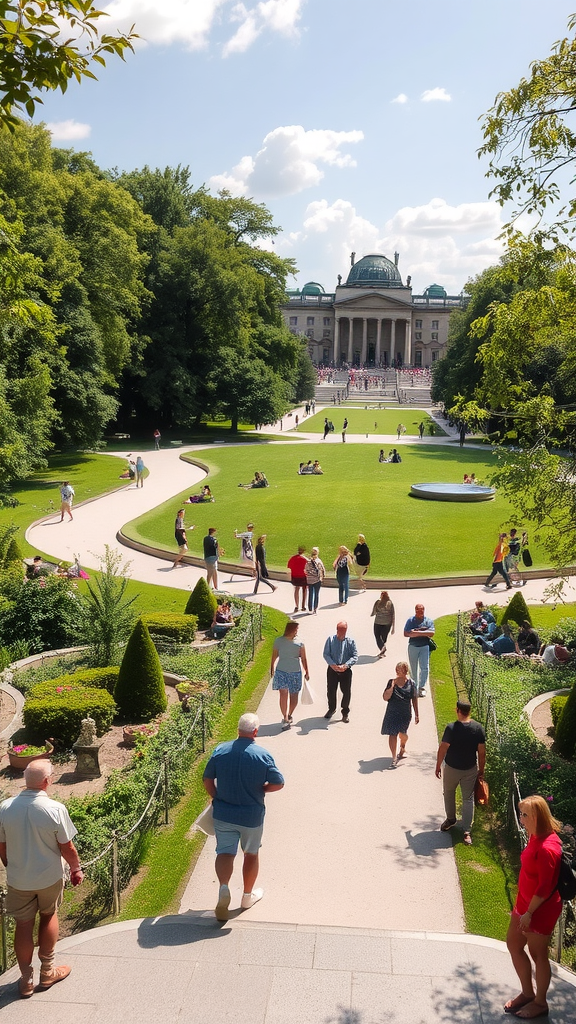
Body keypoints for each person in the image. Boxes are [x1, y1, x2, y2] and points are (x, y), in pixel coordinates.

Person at [0, 760, 84, 997]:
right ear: (47, 781)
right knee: (48, 916)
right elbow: (67, 847)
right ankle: (48, 971)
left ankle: (26, 980)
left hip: (18, 880)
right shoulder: (55, 809)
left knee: (23, 925)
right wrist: (76, 869)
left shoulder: (5, 808)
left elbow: (2, 847)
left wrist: (12, 866)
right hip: (49, 877)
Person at [203, 713, 284, 922]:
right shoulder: (262, 755)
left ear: (238, 729)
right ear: (255, 731)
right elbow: (278, 782)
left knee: (225, 853)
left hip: (224, 814)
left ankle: (223, 888)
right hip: (251, 816)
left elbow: (207, 778)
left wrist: (215, 796)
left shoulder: (220, 750)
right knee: (251, 854)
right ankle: (247, 897)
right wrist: (262, 789)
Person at [504, 795, 563, 1019]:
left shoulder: (549, 848)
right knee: (514, 944)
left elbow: (545, 887)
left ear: (538, 816)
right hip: (524, 904)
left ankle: (540, 1003)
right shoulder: (535, 835)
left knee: (538, 954)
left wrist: (529, 913)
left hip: (539, 910)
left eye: (525, 815)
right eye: (521, 813)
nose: (521, 818)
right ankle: (527, 993)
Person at [435, 700, 486, 846]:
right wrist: (481, 770)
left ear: (457, 710)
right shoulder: (478, 729)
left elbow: (443, 748)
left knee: (449, 793)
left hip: (451, 768)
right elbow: (481, 753)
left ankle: (450, 820)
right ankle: (467, 831)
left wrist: (438, 766)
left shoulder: (451, 728)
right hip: (470, 769)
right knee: (468, 799)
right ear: (469, 711)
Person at [270, 621, 310, 729]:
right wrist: (272, 667)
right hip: (281, 671)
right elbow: (274, 655)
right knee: (283, 693)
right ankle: (285, 717)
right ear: (291, 630)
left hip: (295, 671)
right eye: (296, 629)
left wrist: (307, 671)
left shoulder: (300, 643)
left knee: (294, 695)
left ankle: (290, 713)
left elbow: (304, 658)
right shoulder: (279, 641)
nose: (297, 632)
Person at [381, 662, 419, 767]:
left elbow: (414, 699)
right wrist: (391, 687)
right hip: (392, 712)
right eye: (397, 669)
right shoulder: (391, 682)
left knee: (403, 734)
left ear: (406, 671)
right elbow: (385, 698)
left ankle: (403, 746)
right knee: (392, 734)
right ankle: (394, 758)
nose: (398, 672)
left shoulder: (411, 684)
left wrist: (417, 714)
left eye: (401, 669)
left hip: (405, 713)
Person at [322, 621, 358, 722]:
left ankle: (345, 712)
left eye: (343, 630)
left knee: (346, 692)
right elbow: (326, 654)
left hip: (345, 670)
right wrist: (332, 664)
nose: (341, 632)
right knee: (331, 691)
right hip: (333, 669)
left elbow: (355, 656)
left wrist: (346, 665)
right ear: (336, 629)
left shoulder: (350, 642)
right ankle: (331, 709)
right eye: (340, 630)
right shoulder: (330, 640)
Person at [404, 603, 435, 697]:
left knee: (425, 667)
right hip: (413, 646)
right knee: (413, 668)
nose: (420, 612)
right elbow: (406, 633)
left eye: (422, 610)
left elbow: (432, 633)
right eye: (418, 610)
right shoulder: (410, 620)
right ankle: (414, 687)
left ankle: (421, 687)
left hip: (424, 646)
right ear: (415, 610)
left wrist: (416, 632)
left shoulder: (428, 621)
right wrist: (424, 632)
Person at [370, 591, 395, 657]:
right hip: (387, 623)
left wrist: (373, 613)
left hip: (378, 622)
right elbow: (393, 615)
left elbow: (374, 612)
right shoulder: (390, 603)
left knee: (377, 636)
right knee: (384, 638)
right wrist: (393, 627)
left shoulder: (378, 602)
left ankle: (382, 649)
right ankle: (382, 651)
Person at [304, 546, 325, 613]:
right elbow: (322, 570)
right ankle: (315, 609)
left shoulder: (308, 561)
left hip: (309, 580)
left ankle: (310, 609)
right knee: (316, 594)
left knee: (310, 594)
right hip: (317, 580)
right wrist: (322, 577)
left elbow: (306, 570)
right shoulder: (319, 561)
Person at [287, 545, 307, 612]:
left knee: (296, 589)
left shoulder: (293, 558)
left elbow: (289, 566)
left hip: (295, 576)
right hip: (303, 576)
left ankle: (296, 606)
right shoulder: (305, 559)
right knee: (304, 590)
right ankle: (303, 606)